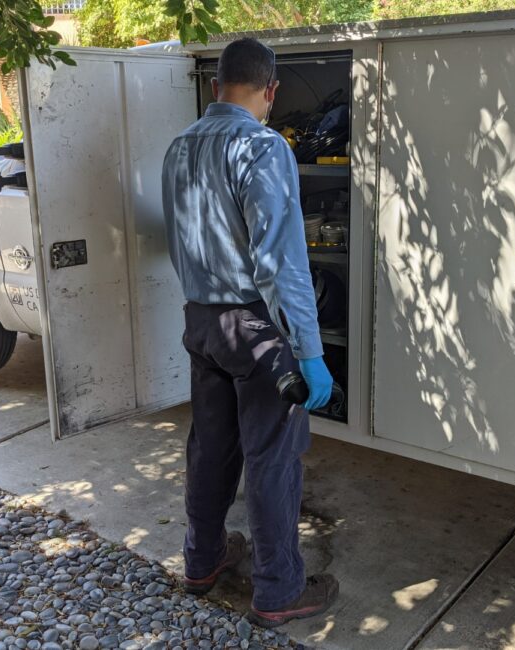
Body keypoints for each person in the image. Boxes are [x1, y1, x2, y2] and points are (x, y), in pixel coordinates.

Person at [160, 37, 339, 627]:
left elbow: (182, 238)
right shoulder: (263, 147)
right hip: (256, 329)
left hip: (201, 322)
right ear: (271, 90)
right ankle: (278, 591)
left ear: (216, 87)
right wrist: (309, 352)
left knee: (210, 448)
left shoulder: (179, 147)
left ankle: (202, 562)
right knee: (272, 459)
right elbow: (281, 261)